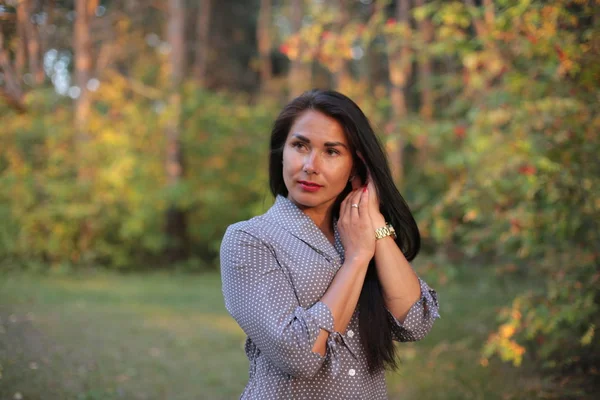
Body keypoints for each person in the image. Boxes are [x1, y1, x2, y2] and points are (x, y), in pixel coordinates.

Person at [220, 89, 440, 399]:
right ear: (282, 152)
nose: (311, 165)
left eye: (332, 151)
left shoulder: (362, 232)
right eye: (300, 146)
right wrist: (357, 258)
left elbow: (416, 322)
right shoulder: (250, 240)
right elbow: (298, 355)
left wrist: (373, 221)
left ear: (356, 166)